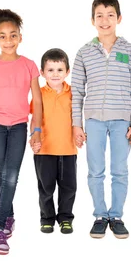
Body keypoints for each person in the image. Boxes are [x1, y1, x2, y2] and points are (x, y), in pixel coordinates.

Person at [71, 0, 131, 239]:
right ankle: (100, 215)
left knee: (120, 171)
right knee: (95, 171)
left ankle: (117, 216)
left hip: (123, 121)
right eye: (99, 15)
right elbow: (77, 92)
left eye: (110, 15)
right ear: (92, 20)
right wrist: (76, 125)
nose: (105, 20)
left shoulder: (130, 51)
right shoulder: (84, 52)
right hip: (93, 121)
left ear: (119, 18)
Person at [0, 9, 43, 255]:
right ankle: (8, 218)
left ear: (20, 37)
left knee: (11, 174)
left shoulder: (29, 65)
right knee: (3, 172)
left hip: (18, 126)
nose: (7, 40)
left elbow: (36, 100)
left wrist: (36, 129)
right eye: (2, 36)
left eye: (12, 35)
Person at [30, 48, 77, 234]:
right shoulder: (38, 94)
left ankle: (65, 218)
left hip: (68, 149)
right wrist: (33, 138)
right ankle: (47, 218)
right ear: (42, 73)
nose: (55, 74)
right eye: (50, 70)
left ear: (67, 71)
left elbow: (78, 118)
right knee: (45, 188)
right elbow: (34, 119)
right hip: (44, 150)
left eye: (59, 70)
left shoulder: (73, 93)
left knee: (68, 188)